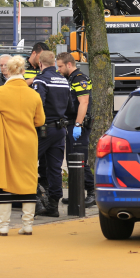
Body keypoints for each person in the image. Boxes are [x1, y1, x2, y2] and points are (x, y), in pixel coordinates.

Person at [0, 56, 45, 236]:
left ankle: (3, 226)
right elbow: (40, 120)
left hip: (5, 141)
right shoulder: (33, 94)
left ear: (8, 71)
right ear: (23, 71)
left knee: (5, 180)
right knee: (28, 180)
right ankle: (27, 224)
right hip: (28, 142)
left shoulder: (0, 93)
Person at [32, 50, 72, 217]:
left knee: (27, 164)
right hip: (60, 129)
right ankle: (53, 206)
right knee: (55, 168)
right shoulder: (63, 80)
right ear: (54, 63)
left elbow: (37, 104)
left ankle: (34, 202)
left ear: (40, 64)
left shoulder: (40, 80)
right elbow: (71, 108)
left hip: (43, 129)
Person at [56, 52, 95, 207]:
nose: (58, 69)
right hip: (71, 123)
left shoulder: (79, 79)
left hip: (79, 125)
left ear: (69, 64)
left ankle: (91, 192)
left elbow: (83, 103)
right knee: (72, 160)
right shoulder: (70, 78)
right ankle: (75, 194)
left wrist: (78, 125)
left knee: (80, 160)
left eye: (60, 66)